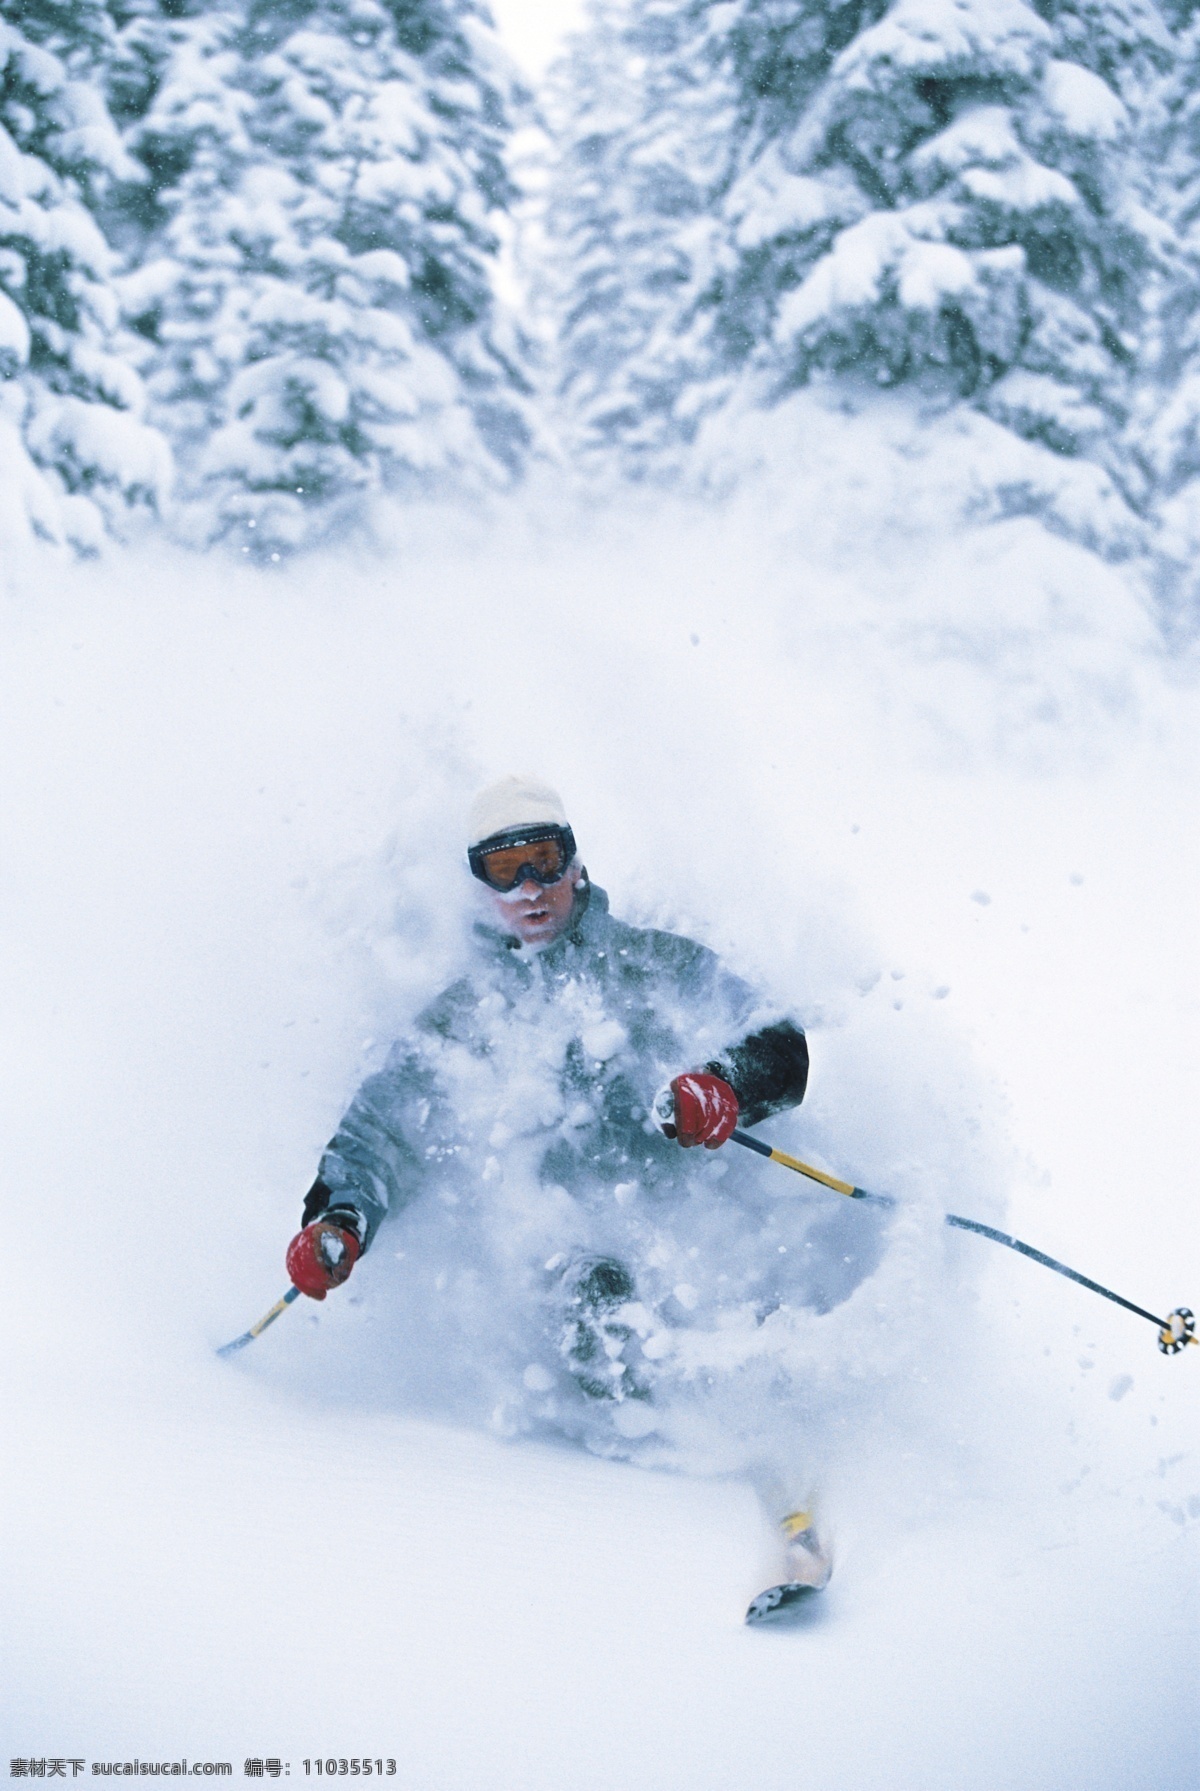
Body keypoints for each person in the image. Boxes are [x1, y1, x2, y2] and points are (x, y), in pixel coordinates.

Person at [284, 775, 831, 1611]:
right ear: (480, 888)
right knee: (598, 1312)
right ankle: (657, 1491)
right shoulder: (466, 1017)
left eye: (542, 861)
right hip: (573, 1241)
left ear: (577, 864)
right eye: (504, 870)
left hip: (695, 1218)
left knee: (738, 1313)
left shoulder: (657, 965)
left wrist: (724, 1083)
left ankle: (787, 1487)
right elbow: (383, 1129)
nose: (529, 889)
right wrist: (342, 1216)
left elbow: (779, 1043)